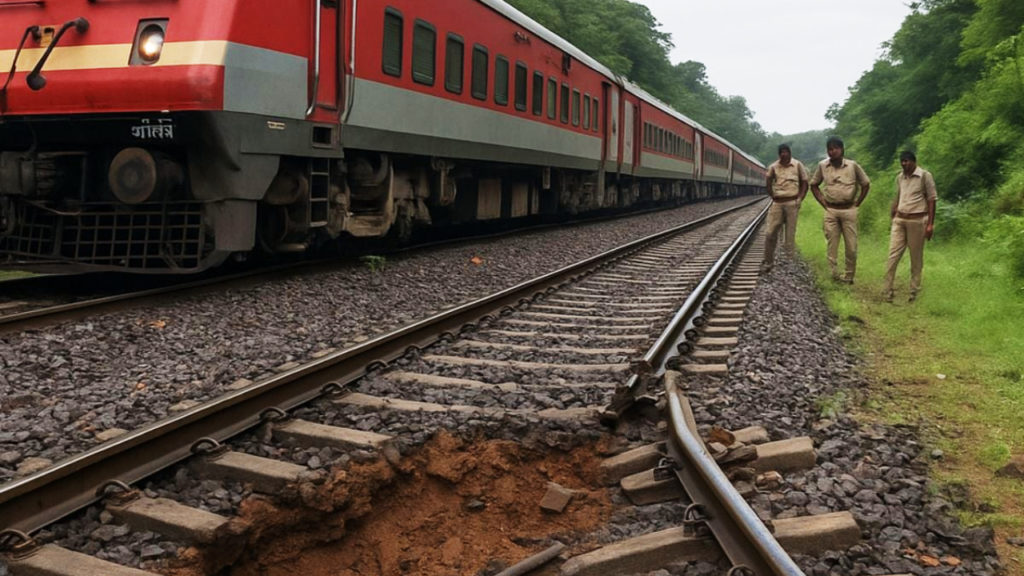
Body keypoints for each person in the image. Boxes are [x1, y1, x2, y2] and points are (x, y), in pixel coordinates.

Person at [809, 136, 871, 283]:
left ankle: (849, 276)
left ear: (842, 150)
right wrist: (823, 202)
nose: (832, 152)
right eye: (830, 149)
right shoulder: (822, 166)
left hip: (849, 210)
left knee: (851, 246)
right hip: (831, 210)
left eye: (835, 148)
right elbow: (814, 185)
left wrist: (858, 203)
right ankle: (834, 274)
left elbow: (866, 184)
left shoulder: (852, 166)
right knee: (832, 243)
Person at [884, 150, 937, 303]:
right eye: (902, 161)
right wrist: (894, 209)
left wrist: (930, 224)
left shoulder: (925, 176)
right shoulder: (900, 177)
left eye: (907, 161)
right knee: (893, 254)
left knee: (916, 257)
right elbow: (900, 195)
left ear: (914, 161)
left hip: (918, 220)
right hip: (900, 220)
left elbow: (932, 200)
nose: (904, 164)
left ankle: (914, 290)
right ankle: (888, 289)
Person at [762, 143, 808, 272]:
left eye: (786, 151)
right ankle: (768, 262)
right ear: (779, 154)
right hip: (777, 203)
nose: (784, 154)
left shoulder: (798, 165)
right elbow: (768, 182)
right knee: (770, 232)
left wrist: (800, 198)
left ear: (790, 153)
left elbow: (805, 182)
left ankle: (789, 264)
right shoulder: (773, 167)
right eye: (781, 152)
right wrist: (773, 196)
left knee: (790, 235)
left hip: (792, 203)